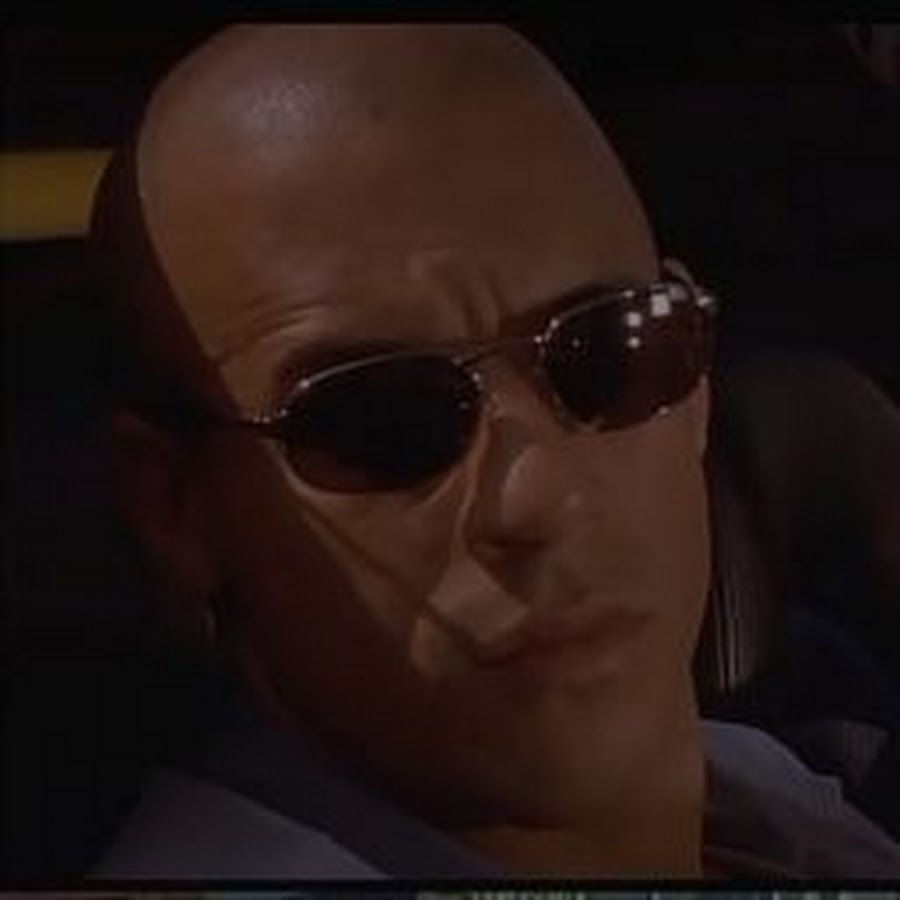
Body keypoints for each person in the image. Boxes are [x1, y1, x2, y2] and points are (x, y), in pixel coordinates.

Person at [83, 24, 900, 878]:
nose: (539, 496)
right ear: (179, 509)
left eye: (615, 352)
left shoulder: (813, 792)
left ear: (697, 387)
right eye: (381, 418)